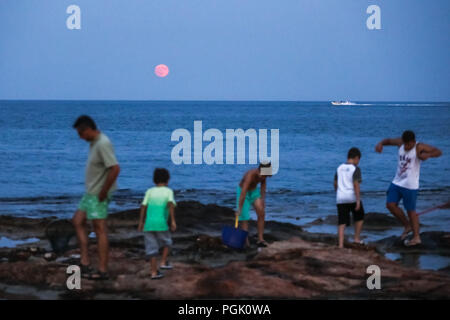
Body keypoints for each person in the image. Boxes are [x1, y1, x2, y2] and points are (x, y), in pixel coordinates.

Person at [72, 115, 120, 280]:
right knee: (78, 221)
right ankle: (84, 262)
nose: (79, 137)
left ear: (88, 130)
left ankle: (102, 270)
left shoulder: (103, 143)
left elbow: (115, 168)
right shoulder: (94, 143)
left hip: (98, 194)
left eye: (80, 133)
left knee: (99, 230)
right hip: (90, 193)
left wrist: (103, 192)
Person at [375, 130, 442, 246]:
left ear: (413, 142)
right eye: (404, 144)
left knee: (411, 211)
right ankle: (407, 225)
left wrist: (428, 155)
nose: (406, 146)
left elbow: (438, 151)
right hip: (397, 182)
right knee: (390, 205)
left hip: (410, 185)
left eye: (408, 145)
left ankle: (416, 237)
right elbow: (388, 141)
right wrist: (380, 144)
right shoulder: (400, 142)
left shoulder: (419, 147)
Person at [138, 168, 176, 280]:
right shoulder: (168, 191)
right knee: (168, 242)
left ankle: (154, 273)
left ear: (154, 180)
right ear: (167, 180)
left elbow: (143, 206)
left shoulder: (149, 191)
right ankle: (163, 262)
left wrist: (141, 222)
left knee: (151, 249)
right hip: (161, 223)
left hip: (148, 224)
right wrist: (173, 221)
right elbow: (170, 205)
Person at [235, 161, 272, 248]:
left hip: (254, 192)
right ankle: (246, 241)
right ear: (258, 170)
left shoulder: (264, 174)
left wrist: (263, 199)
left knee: (261, 212)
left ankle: (260, 239)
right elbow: (243, 193)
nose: (263, 177)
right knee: (245, 217)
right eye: (262, 176)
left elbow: (263, 185)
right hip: (243, 193)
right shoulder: (250, 175)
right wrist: (239, 209)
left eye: (265, 176)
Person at [334, 147, 365, 248]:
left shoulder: (339, 168)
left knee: (342, 221)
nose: (358, 162)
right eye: (358, 160)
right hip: (351, 197)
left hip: (340, 197)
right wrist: (357, 200)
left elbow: (335, 183)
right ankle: (356, 238)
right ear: (356, 158)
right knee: (359, 216)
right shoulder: (355, 169)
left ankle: (340, 244)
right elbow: (356, 184)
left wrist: (338, 192)